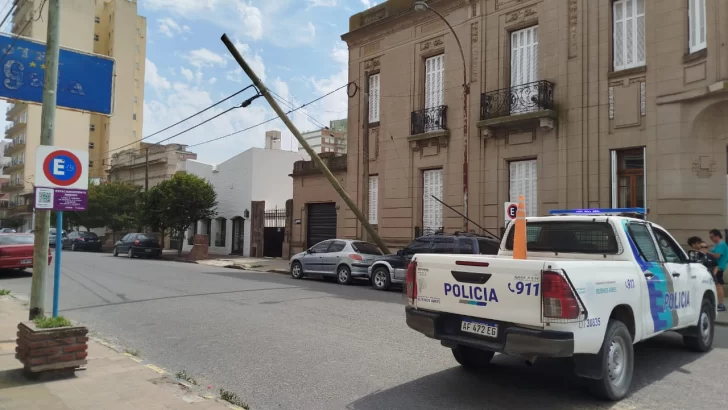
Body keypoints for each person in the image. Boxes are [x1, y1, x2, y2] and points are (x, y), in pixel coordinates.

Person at [706, 230, 727, 312]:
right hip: (716, 267)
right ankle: (718, 304)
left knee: (719, 286)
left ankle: (721, 305)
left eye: (711, 237)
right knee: (716, 285)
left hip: (718, 268)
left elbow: (717, 256)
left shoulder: (721, 245)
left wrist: (707, 252)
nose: (711, 238)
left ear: (717, 236)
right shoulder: (717, 245)